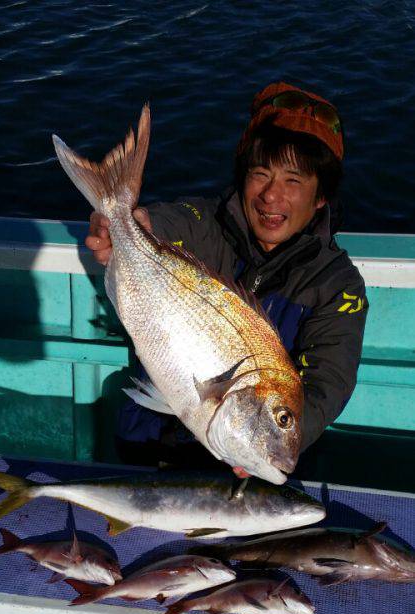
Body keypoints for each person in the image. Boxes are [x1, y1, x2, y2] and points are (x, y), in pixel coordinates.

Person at [86, 81, 368, 471]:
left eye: (294, 181)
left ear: (321, 197)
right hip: (148, 447)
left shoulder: (337, 284)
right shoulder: (206, 223)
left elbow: (328, 381)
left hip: (245, 465)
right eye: (260, 174)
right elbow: (174, 221)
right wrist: (132, 226)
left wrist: (278, 437)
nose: (271, 196)